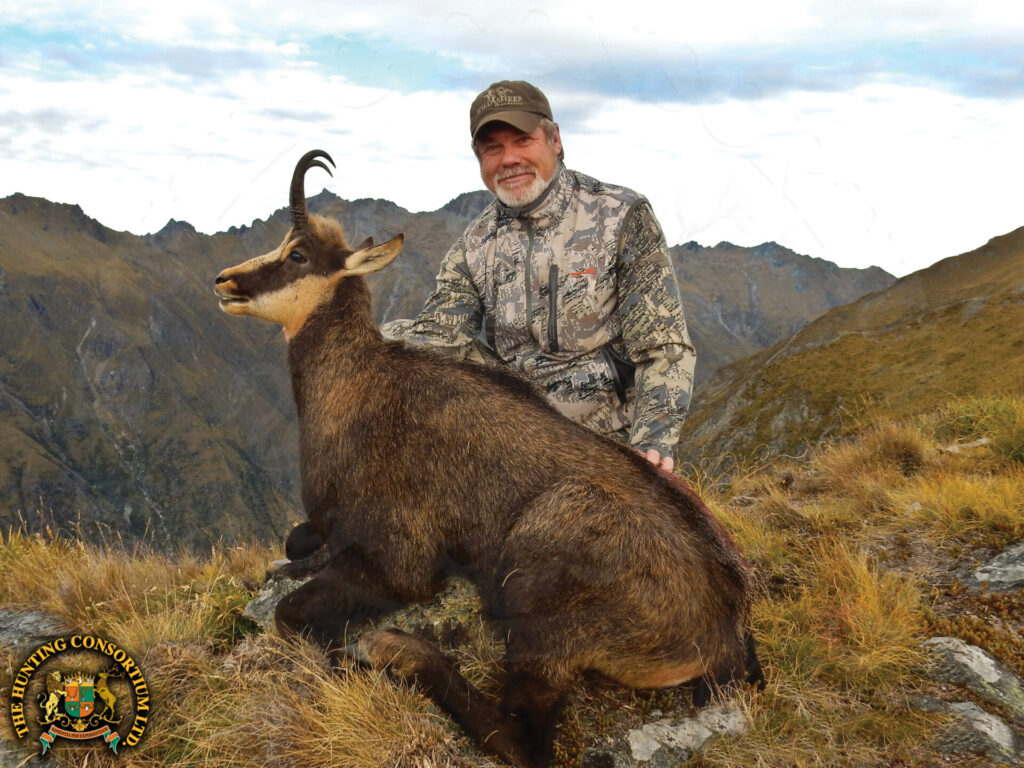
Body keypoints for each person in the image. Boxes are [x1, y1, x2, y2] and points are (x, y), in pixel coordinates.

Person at [384, 80, 695, 473]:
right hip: (518, 422)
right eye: (492, 148)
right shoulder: (475, 243)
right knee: (391, 340)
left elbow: (664, 346)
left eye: (522, 140)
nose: (508, 159)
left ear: (555, 140)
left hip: (603, 429)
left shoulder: (620, 216)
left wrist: (651, 442)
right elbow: (436, 338)